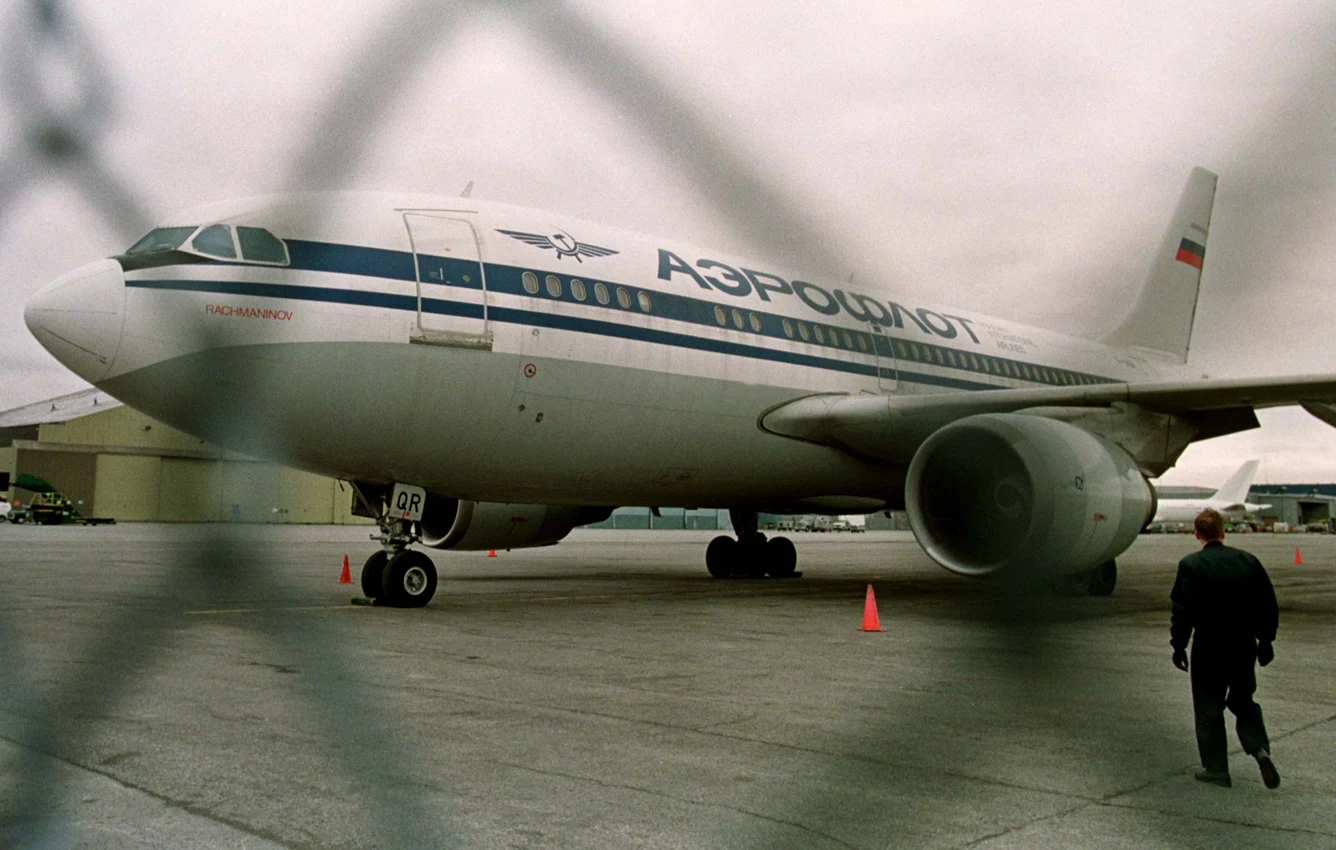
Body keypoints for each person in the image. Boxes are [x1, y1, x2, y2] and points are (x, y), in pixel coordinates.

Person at [1170, 508, 1280, 789]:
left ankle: (1217, 768)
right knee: (1243, 700)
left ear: (1197, 534)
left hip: (1208, 645)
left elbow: (1182, 611)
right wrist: (1266, 640)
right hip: (1242, 643)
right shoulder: (1248, 561)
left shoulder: (1190, 565)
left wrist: (1179, 646)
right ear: (1223, 532)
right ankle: (1259, 749)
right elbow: (1267, 603)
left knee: (1208, 706)